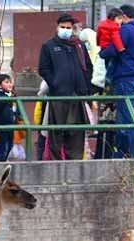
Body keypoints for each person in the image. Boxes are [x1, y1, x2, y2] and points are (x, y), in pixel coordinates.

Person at [99, 4, 134, 158]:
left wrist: (102, 53)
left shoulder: (125, 30)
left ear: (123, 17)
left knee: (125, 119)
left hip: (125, 79)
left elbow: (114, 49)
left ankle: (124, 154)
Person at [38, 13, 93, 160]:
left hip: (77, 96)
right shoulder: (48, 46)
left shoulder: (79, 46)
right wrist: (55, 83)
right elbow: (43, 69)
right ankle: (55, 165)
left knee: (76, 135)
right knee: (56, 135)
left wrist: (86, 88)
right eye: (63, 27)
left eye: (68, 27)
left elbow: (88, 67)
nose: (65, 30)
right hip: (58, 97)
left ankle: (73, 166)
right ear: (57, 27)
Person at [0, 74, 18, 162]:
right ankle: (1, 162)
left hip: (10, 125)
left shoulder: (9, 96)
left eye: (10, 82)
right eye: (6, 82)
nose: (10, 84)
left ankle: (3, 160)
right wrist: (7, 99)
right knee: (4, 145)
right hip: (1, 125)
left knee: (10, 145)